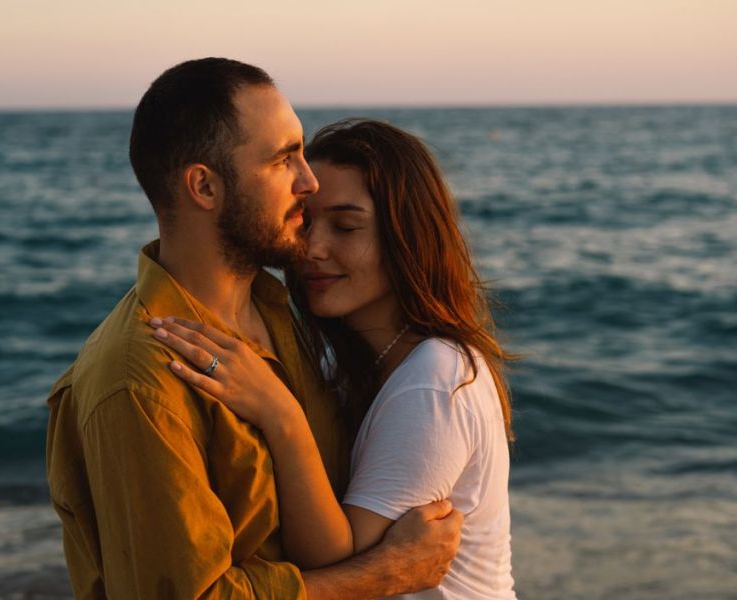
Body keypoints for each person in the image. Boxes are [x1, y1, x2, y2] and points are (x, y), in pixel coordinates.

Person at [46, 60, 463, 599]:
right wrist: (383, 574)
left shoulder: (283, 313)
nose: (308, 181)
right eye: (283, 159)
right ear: (204, 187)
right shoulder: (140, 380)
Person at [151, 119, 517, 598]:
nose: (313, 249)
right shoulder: (346, 367)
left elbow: (333, 561)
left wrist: (279, 414)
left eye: (346, 226)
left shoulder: (436, 379)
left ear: (406, 237)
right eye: (305, 222)